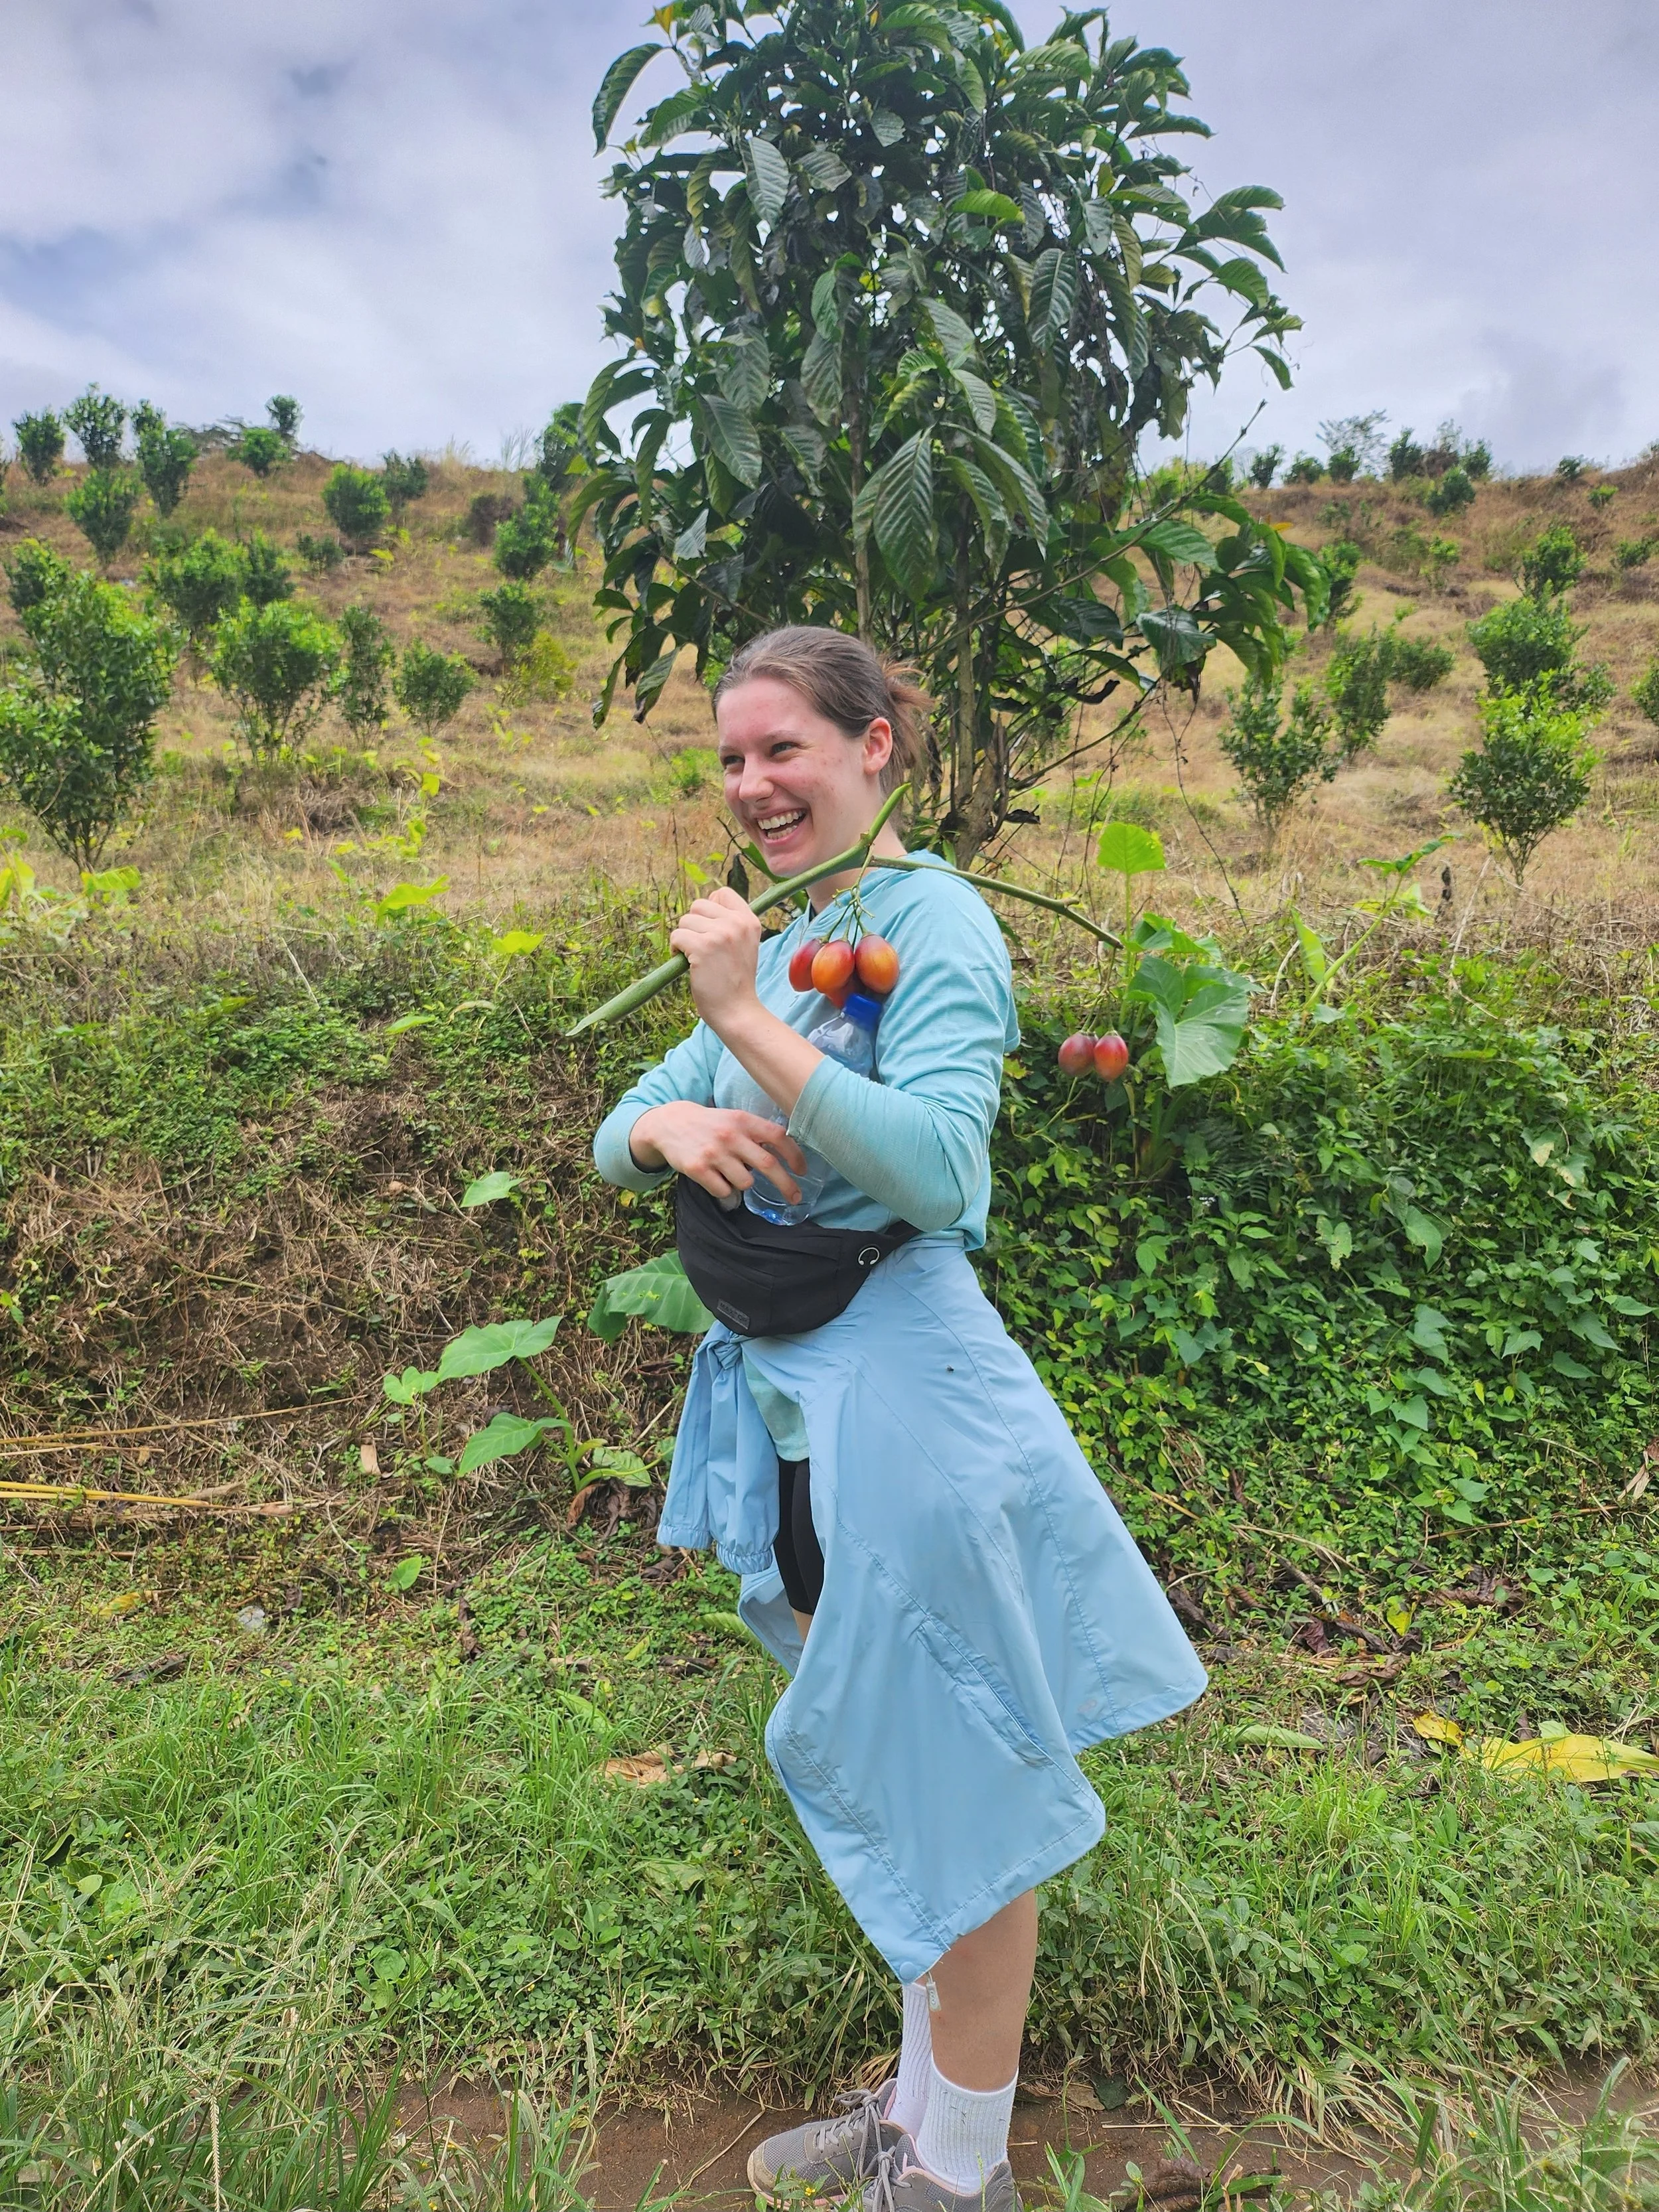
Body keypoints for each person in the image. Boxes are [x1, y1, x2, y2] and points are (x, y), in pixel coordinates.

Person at [592, 627, 1206, 2212]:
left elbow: (940, 1173)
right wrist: (665, 1116)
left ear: (875, 748)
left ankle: (959, 2171)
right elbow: (614, 1128)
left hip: (910, 1413)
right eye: (729, 758)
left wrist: (740, 1021)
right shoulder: (809, 931)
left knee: (965, 1781)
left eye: (781, 747)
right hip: (797, 1420)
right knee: (898, 1749)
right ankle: (915, 2106)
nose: (750, 784)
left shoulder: (932, 923)